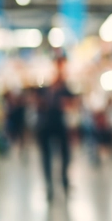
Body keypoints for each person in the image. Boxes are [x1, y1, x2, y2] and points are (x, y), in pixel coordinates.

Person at [38, 58, 76, 200]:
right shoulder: (44, 89)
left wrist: (66, 105)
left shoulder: (66, 89)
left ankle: (64, 181)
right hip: (46, 125)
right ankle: (49, 185)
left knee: (65, 155)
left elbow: (73, 104)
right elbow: (37, 103)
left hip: (60, 124)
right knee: (47, 157)